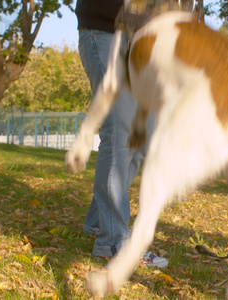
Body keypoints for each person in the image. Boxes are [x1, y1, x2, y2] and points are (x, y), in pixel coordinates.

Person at [75, 0, 168, 268]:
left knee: (143, 136)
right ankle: (115, 242)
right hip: (104, 32)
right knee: (119, 129)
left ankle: (98, 222)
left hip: (140, 38)